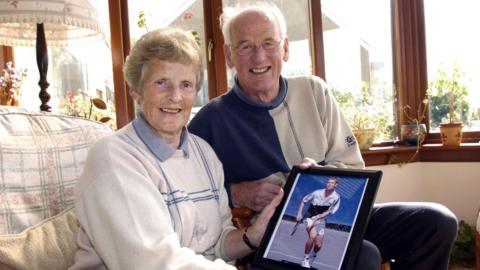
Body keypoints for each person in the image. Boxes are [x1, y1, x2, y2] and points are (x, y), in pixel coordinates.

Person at [188, 2, 458, 269]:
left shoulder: (314, 92)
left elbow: (353, 166)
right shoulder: (209, 121)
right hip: (273, 235)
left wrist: (323, 177)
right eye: (245, 46)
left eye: (269, 43)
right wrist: (237, 193)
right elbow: (188, 197)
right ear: (229, 55)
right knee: (363, 255)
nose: (259, 57)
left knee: (436, 222)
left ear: (285, 48)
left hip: (339, 216)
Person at [69, 27, 282, 270]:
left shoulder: (204, 153)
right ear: (136, 89)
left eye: (186, 85)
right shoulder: (113, 158)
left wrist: (252, 236)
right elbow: (155, 263)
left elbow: (218, 242)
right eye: (161, 83)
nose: (175, 96)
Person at [296, 177, 340, 268]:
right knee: (312, 236)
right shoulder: (317, 192)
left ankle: (313, 255)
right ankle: (305, 259)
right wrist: (299, 213)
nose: (329, 184)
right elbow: (304, 200)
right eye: (328, 182)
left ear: (336, 185)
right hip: (309, 217)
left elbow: (329, 212)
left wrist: (319, 217)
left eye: (332, 183)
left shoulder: (336, 197)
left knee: (318, 245)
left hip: (321, 219)